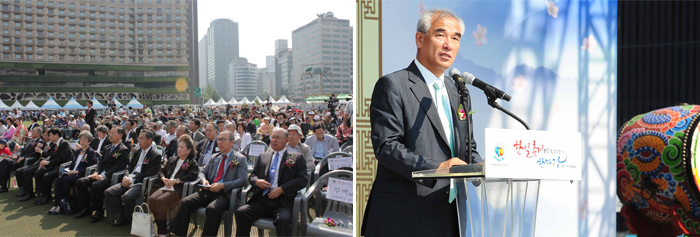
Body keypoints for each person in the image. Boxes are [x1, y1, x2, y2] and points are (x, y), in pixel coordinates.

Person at [361, 9, 483, 236]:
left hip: (450, 215)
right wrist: (436, 169)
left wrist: (485, 168)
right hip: (405, 216)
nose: (449, 44)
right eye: (441, 35)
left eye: (455, 38)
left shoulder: (458, 92)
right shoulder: (393, 85)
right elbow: (386, 146)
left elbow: (468, 148)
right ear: (420, 39)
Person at [168, 130, 247, 236]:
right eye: (219, 139)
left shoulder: (240, 159)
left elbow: (242, 180)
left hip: (225, 194)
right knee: (184, 202)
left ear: (232, 142)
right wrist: (204, 180)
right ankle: (177, 233)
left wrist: (223, 185)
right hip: (209, 190)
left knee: (212, 209)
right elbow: (202, 172)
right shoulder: (215, 157)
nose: (220, 142)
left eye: (223, 140)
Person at [236, 128, 308, 236]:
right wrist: (257, 181)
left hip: (282, 202)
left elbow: (303, 180)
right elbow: (253, 176)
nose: (274, 140)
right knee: (241, 212)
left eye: (278, 138)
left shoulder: (296, 157)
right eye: (272, 137)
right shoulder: (263, 156)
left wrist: (282, 189)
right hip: (262, 200)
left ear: (286, 140)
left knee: (283, 220)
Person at [104, 129, 162, 226]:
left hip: (140, 182)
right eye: (139, 138)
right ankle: (123, 215)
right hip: (129, 178)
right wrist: (126, 177)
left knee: (127, 197)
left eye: (142, 138)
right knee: (109, 192)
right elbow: (129, 167)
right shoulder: (138, 151)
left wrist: (131, 180)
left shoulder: (155, 155)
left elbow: (148, 173)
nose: (139, 141)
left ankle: (126, 217)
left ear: (150, 140)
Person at [148, 135, 200, 237]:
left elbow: (191, 176)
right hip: (166, 186)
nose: (179, 149)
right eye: (178, 146)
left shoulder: (191, 162)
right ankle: (162, 227)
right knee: (151, 199)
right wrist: (164, 179)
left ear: (189, 150)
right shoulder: (172, 159)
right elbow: (160, 171)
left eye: (182, 147)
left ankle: (162, 232)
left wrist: (175, 181)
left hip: (177, 189)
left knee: (160, 201)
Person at [74, 126, 130, 222]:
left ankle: (99, 211)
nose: (110, 135)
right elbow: (100, 163)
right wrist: (96, 172)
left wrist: (104, 175)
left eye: (112, 133)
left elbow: (119, 167)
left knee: (96, 185)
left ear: (120, 135)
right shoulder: (107, 147)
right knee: (80, 182)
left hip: (111, 177)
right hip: (101, 174)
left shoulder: (123, 149)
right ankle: (86, 208)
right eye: (110, 133)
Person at [47, 131, 98, 215]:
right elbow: (72, 164)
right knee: (59, 179)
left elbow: (90, 167)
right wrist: (67, 170)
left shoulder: (91, 152)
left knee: (66, 180)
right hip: (72, 172)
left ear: (89, 141)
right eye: (81, 139)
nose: (82, 141)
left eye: (85, 140)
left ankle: (60, 206)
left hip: (80, 174)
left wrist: (75, 171)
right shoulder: (77, 151)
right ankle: (56, 204)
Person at [19, 128, 72, 205]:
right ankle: (41, 195)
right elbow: (52, 156)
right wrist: (44, 162)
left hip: (61, 167)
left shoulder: (64, 144)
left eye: (50, 135)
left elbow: (61, 159)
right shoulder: (56, 144)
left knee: (46, 176)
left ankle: (47, 196)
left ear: (56, 135)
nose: (49, 137)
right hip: (54, 165)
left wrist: (48, 162)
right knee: (38, 173)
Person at [0, 127, 44, 193]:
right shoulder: (30, 141)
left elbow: (35, 154)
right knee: (4, 162)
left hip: (27, 161)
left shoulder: (40, 142)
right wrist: (18, 154)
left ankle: (5, 187)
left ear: (38, 133)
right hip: (19, 158)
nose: (31, 132)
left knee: (6, 167)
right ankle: (3, 186)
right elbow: (23, 150)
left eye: (33, 131)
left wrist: (23, 157)